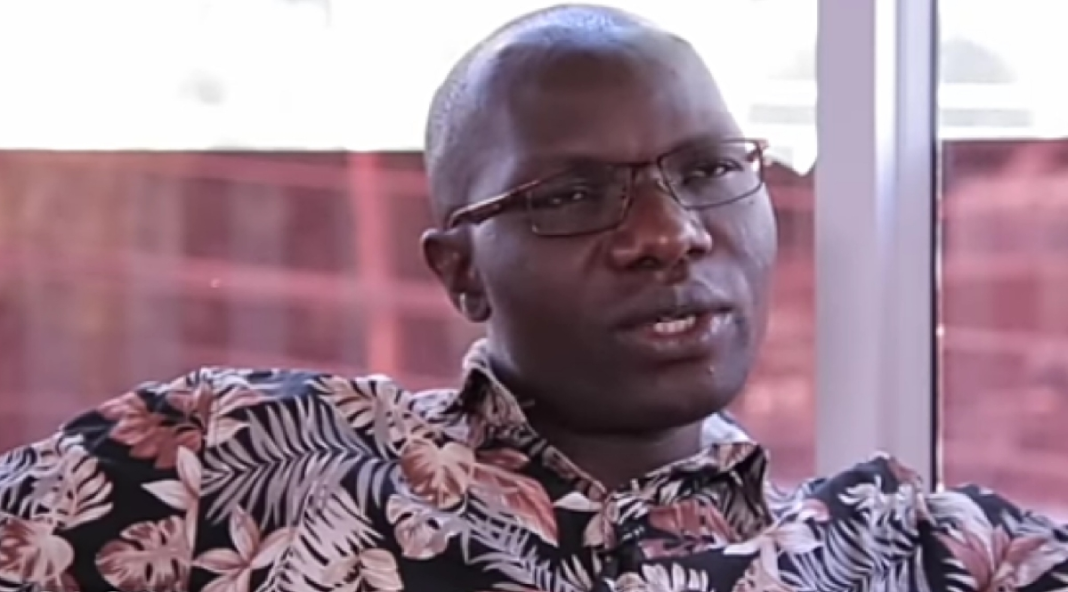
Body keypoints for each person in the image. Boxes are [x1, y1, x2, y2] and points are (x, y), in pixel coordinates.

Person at [1, 4, 1066, 592]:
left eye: (707, 170)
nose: (669, 233)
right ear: (460, 270)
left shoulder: (927, 555)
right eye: (571, 196)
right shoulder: (225, 467)